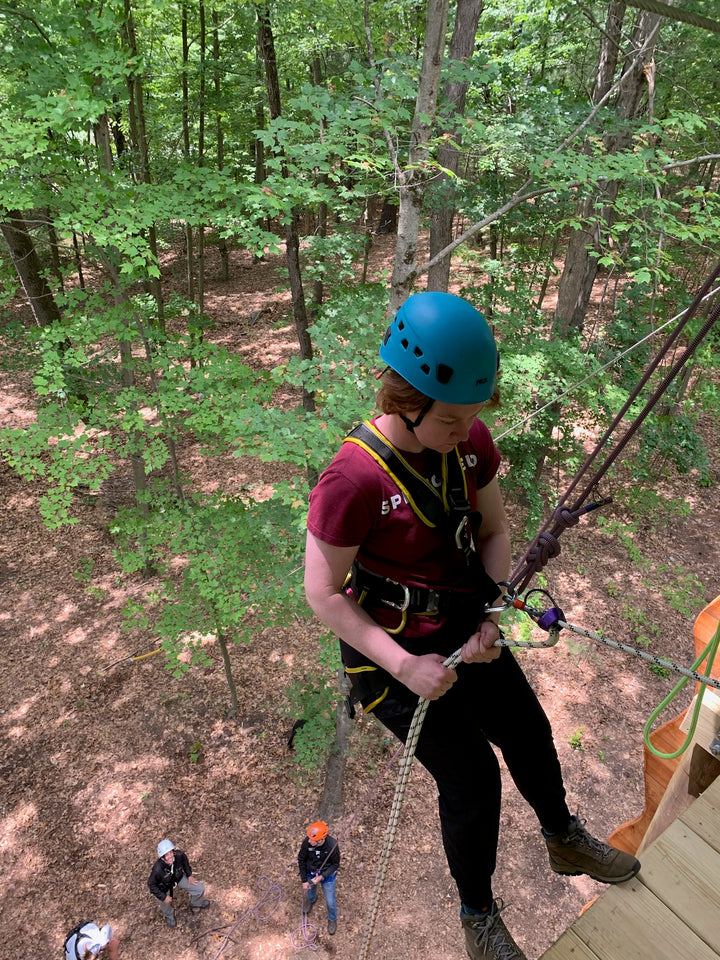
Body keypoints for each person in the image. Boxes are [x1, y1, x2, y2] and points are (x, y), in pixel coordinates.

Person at [304, 292, 641, 960]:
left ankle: (562, 835)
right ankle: (478, 918)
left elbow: (494, 531)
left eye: (474, 416)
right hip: (389, 660)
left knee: (528, 728)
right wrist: (404, 666)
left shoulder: (468, 444)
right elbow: (323, 595)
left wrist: (491, 613)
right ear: (406, 400)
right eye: (453, 418)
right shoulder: (353, 479)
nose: (468, 430)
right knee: (471, 778)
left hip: (464, 627)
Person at [147, 838, 210, 928]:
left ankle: (196, 903)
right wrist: (163, 896)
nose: (170, 856)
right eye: (166, 855)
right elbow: (151, 885)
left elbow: (185, 862)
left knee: (199, 888)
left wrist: (189, 875)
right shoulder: (158, 869)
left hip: (178, 878)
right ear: (162, 857)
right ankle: (169, 915)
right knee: (163, 902)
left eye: (171, 853)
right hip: (164, 886)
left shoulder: (179, 855)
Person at [297, 820, 341, 935]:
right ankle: (311, 900)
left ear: (322, 839)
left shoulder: (332, 845)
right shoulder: (307, 842)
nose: (310, 841)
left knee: (330, 901)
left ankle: (332, 918)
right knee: (310, 890)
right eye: (310, 839)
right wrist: (304, 880)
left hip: (326, 875)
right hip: (311, 872)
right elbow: (301, 859)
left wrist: (322, 876)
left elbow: (335, 865)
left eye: (314, 840)